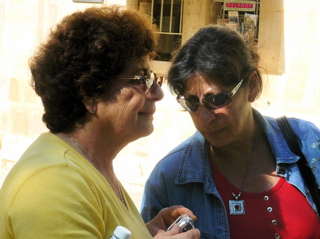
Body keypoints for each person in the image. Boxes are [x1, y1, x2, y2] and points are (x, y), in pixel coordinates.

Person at [0, 6, 200, 239]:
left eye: (153, 78)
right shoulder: (55, 182)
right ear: (90, 94)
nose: (157, 93)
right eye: (142, 79)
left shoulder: (89, 166)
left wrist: (143, 233)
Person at [140, 25, 320, 238]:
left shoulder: (306, 143)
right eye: (191, 103)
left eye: (216, 99)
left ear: (252, 86)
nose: (205, 118)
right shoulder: (170, 179)